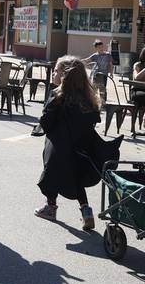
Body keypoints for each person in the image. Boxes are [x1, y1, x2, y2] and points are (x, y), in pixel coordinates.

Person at [34, 55, 121, 231]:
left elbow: (46, 120)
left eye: (57, 71)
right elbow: (92, 121)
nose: (54, 73)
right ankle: (86, 212)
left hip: (58, 147)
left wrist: (41, 125)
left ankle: (50, 207)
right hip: (81, 150)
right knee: (76, 180)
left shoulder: (58, 96)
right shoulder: (87, 99)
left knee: (50, 176)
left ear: (65, 76)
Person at [82, 39, 112, 105]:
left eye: (102, 47)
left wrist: (111, 73)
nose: (101, 48)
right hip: (96, 74)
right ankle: (93, 102)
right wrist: (80, 61)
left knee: (103, 89)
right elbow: (87, 60)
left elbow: (110, 64)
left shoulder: (107, 55)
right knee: (94, 88)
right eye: (99, 47)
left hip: (104, 74)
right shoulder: (95, 55)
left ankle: (103, 103)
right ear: (96, 48)